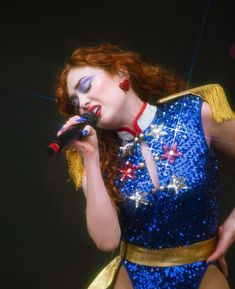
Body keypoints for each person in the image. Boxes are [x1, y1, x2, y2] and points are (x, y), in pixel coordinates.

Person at [55, 43, 235, 289]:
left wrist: (232, 227)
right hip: (132, 278)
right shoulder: (95, 158)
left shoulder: (193, 112)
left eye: (86, 86)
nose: (84, 102)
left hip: (203, 274)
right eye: (76, 102)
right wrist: (90, 157)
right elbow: (107, 242)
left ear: (121, 73)